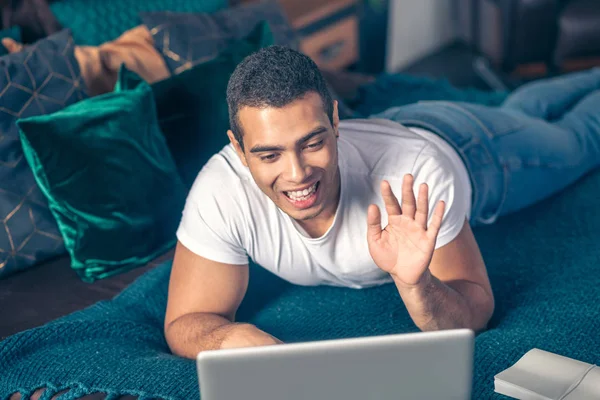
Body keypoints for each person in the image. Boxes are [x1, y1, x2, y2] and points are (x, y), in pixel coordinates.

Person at [164, 46, 600, 359]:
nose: (297, 174)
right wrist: (225, 340)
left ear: (336, 121)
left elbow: (475, 312)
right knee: (522, 110)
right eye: (269, 154)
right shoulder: (220, 190)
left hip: (469, 148)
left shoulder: (416, 175)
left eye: (312, 142)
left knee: (579, 140)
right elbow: (187, 321)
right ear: (239, 151)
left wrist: (416, 285)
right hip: (391, 134)